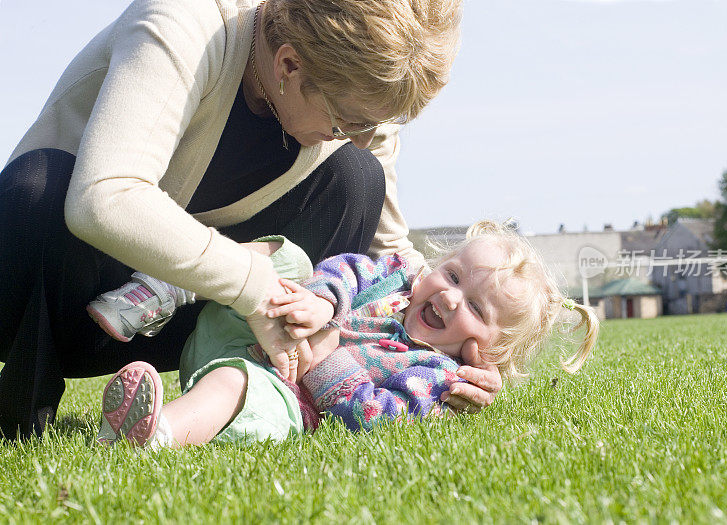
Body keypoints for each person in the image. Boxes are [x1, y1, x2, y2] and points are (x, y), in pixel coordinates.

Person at [0, 0, 502, 439]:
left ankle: (260, 389)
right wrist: (253, 285)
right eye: (351, 121)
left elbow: (390, 256)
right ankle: (24, 401)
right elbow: (102, 199)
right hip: (53, 285)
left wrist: (455, 362)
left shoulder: (355, 98)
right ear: (288, 64)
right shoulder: (187, 21)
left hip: (173, 322)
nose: (365, 136)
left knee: (356, 178)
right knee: (39, 185)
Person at [93, 221, 599, 447]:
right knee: (289, 256)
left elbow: (375, 418)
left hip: (274, 391)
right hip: (240, 326)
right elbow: (350, 269)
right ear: (433, 268)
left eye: (474, 307)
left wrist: (324, 362)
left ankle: (156, 433)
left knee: (237, 384)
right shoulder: (396, 282)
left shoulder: (435, 377)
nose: (448, 297)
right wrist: (320, 300)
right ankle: (169, 286)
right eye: (453, 277)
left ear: (490, 350)